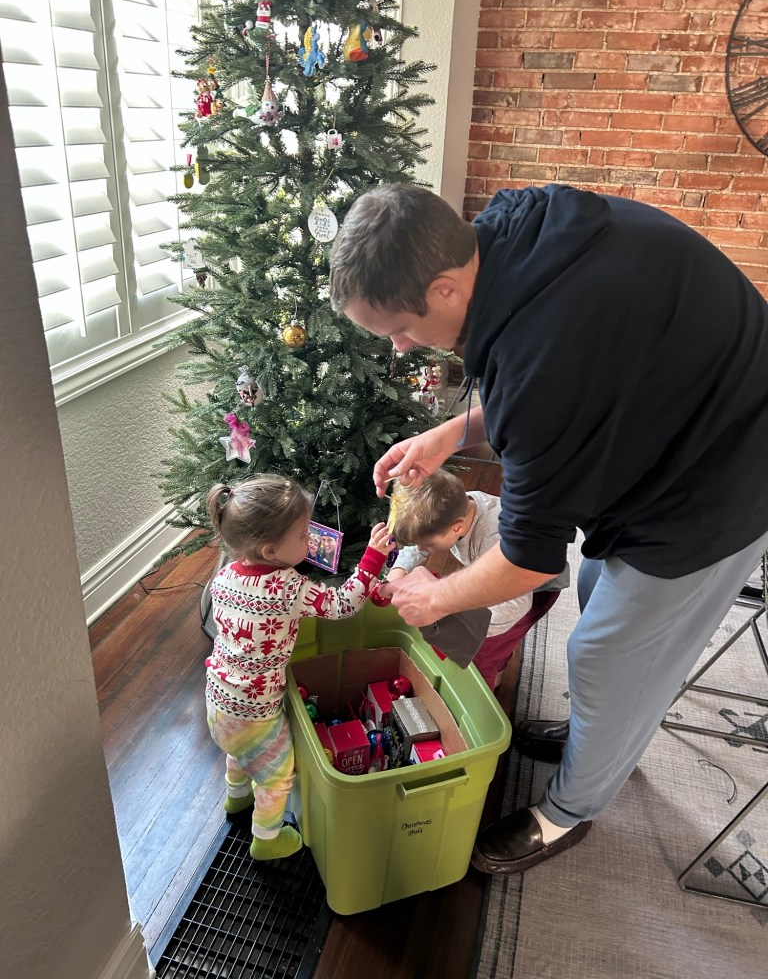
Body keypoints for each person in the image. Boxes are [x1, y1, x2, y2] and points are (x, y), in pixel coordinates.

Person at [329, 181, 768, 875]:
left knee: (606, 654)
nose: (404, 347)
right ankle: (603, 732)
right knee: (599, 593)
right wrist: (451, 433)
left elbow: (530, 561)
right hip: (677, 412)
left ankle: (569, 812)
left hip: (725, 474)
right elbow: (569, 389)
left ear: (445, 288)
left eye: (400, 330)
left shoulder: (543, 358)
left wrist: (435, 597)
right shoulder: (510, 226)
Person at [205, 474, 391, 861]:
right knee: (275, 775)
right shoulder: (289, 588)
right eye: (304, 535)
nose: (311, 540)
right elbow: (342, 604)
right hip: (257, 712)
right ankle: (267, 840)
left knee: (240, 754)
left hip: (217, 701)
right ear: (271, 550)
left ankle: (236, 800)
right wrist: (371, 559)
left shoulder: (223, 576)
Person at [386, 469, 569, 690]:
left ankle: (486, 689)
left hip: (534, 591)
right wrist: (398, 571)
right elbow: (420, 539)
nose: (422, 549)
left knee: (483, 651)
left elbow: (515, 605)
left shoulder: (492, 535)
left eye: (429, 544)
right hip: (502, 579)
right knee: (498, 643)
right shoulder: (452, 508)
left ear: (457, 527)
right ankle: (501, 658)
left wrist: (462, 620)